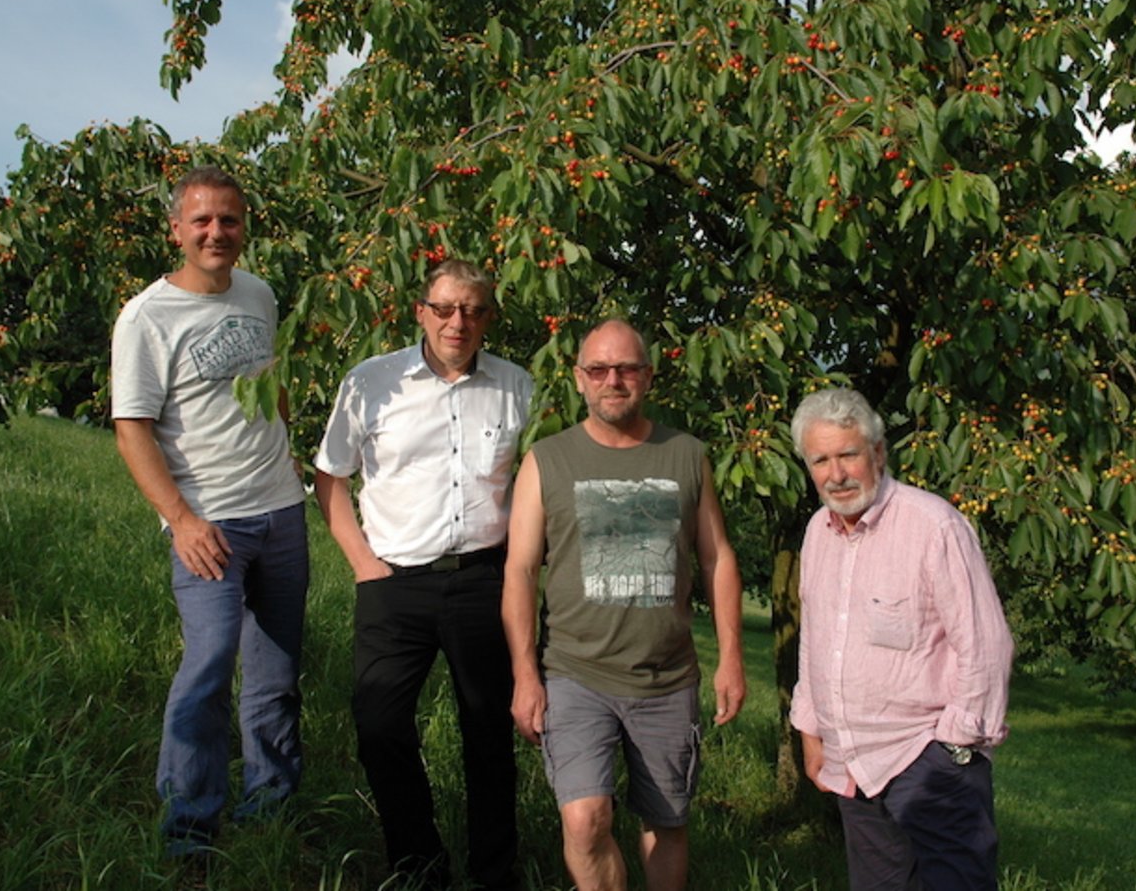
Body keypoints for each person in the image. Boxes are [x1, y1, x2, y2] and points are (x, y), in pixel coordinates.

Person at [502, 319, 747, 891]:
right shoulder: (546, 460)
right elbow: (518, 571)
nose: (613, 380)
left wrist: (732, 656)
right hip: (575, 674)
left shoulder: (687, 455)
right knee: (586, 819)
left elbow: (717, 559)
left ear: (648, 377)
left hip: (666, 678)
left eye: (627, 369)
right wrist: (524, 673)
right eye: (599, 370)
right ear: (579, 379)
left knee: (667, 822)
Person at [314, 259, 532, 891]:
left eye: (472, 310)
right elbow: (331, 476)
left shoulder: (519, 387)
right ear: (420, 312)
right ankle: (419, 864)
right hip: (394, 582)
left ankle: (494, 872)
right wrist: (365, 567)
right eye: (444, 308)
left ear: (488, 317)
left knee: (489, 732)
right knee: (380, 724)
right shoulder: (371, 382)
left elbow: (532, 486)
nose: (457, 322)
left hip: (484, 580)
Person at [111, 166, 310, 856]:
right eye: (201, 220)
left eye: (228, 219)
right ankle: (190, 828)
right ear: (176, 229)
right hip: (210, 521)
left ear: (244, 225)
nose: (216, 232)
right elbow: (132, 425)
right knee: (210, 660)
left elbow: (270, 378)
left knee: (277, 668)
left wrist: (292, 452)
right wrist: (181, 518)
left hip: (281, 511)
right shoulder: (147, 316)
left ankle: (270, 808)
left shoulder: (259, 293)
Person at [788, 388, 1013, 890]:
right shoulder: (817, 533)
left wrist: (956, 745)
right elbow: (817, 638)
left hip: (928, 761)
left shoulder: (934, 526)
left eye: (848, 454)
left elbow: (986, 645)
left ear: (878, 453)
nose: (837, 473)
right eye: (821, 460)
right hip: (854, 764)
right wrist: (811, 728)